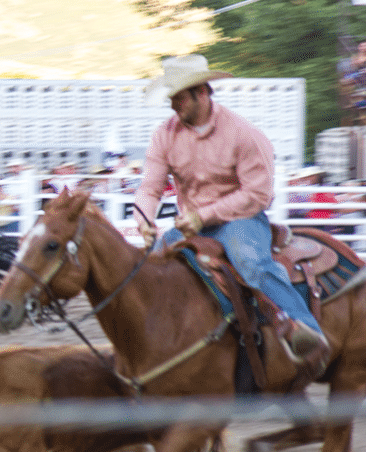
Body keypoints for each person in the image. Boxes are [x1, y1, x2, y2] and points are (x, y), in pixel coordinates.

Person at [134, 54, 330, 369]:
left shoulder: (243, 134)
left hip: (241, 220)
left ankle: (306, 330)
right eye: (171, 98)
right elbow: (150, 188)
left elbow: (257, 194)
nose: (173, 105)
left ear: (202, 92)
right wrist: (143, 220)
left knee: (251, 263)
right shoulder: (164, 135)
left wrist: (203, 215)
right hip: (192, 226)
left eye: (179, 97)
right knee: (152, 270)